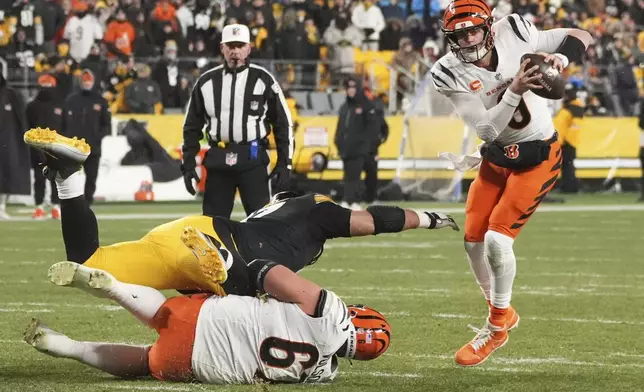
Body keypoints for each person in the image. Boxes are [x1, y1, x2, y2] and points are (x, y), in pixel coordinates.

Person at [24, 127, 459, 297]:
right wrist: (431, 218)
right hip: (220, 248)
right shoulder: (315, 209)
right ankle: (224, 272)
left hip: (186, 230)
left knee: (89, 262)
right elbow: (374, 220)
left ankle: (68, 178)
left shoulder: (272, 208)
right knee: (257, 290)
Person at [431, 0, 592, 366]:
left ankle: (497, 326)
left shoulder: (515, 30)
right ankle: (500, 308)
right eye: (459, 34)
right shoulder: (447, 71)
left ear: (489, 27)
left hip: (538, 153)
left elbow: (580, 33)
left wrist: (560, 59)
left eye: (473, 30)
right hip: (499, 153)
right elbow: (487, 128)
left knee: (497, 238)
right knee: (472, 238)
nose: (468, 39)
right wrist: (516, 88)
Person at [25, 256, 391, 383]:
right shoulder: (323, 374)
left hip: (210, 319)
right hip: (199, 366)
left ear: (358, 317)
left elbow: (269, 273)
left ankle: (116, 288)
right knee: (145, 361)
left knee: (162, 313)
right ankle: (69, 347)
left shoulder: (334, 313)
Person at [182, 23, 293, 218]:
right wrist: (189, 163)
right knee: (213, 225)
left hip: (252, 157)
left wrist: (285, 163)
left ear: (249, 48)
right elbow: (192, 127)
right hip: (218, 158)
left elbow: (283, 123)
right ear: (222, 48)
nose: (235, 51)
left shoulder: (263, 79)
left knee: (261, 223)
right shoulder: (206, 82)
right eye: (231, 46)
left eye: (240, 46)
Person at [61, 69, 111, 204]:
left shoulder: (101, 101)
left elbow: (106, 125)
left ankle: (87, 202)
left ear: (93, 82)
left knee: (91, 176)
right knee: (71, 177)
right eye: (85, 81)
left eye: (89, 81)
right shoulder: (71, 100)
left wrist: (96, 138)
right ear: (80, 82)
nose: (87, 83)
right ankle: (72, 202)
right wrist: (68, 139)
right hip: (73, 147)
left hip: (92, 147)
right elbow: (63, 123)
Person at [335, 77, 377, 210]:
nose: (351, 91)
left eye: (353, 88)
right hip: (346, 149)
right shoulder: (344, 107)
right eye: (349, 88)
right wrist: (338, 142)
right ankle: (348, 200)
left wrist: (369, 147)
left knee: (355, 176)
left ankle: (354, 201)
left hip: (359, 149)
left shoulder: (365, 105)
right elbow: (340, 128)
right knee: (347, 176)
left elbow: (371, 128)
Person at [26, 73, 64, 219]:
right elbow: (27, 127)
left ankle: (56, 206)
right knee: (39, 178)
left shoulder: (60, 105)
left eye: (49, 84)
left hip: (56, 148)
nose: (47, 87)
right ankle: (39, 206)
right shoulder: (32, 106)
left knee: (56, 179)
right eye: (44, 84)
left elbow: (65, 127)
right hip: (38, 147)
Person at [0, 72, 30, 220]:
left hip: (8, 142)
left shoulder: (11, 95)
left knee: (7, 174)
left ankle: (2, 206)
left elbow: (22, 119)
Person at [554, 84, 585, 194]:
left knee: (568, 165)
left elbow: (575, 126)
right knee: (567, 165)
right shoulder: (569, 106)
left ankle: (570, 187)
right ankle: (568, 186)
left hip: (568, 141)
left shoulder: (574, 106)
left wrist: (567, 140)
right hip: (565, 140)